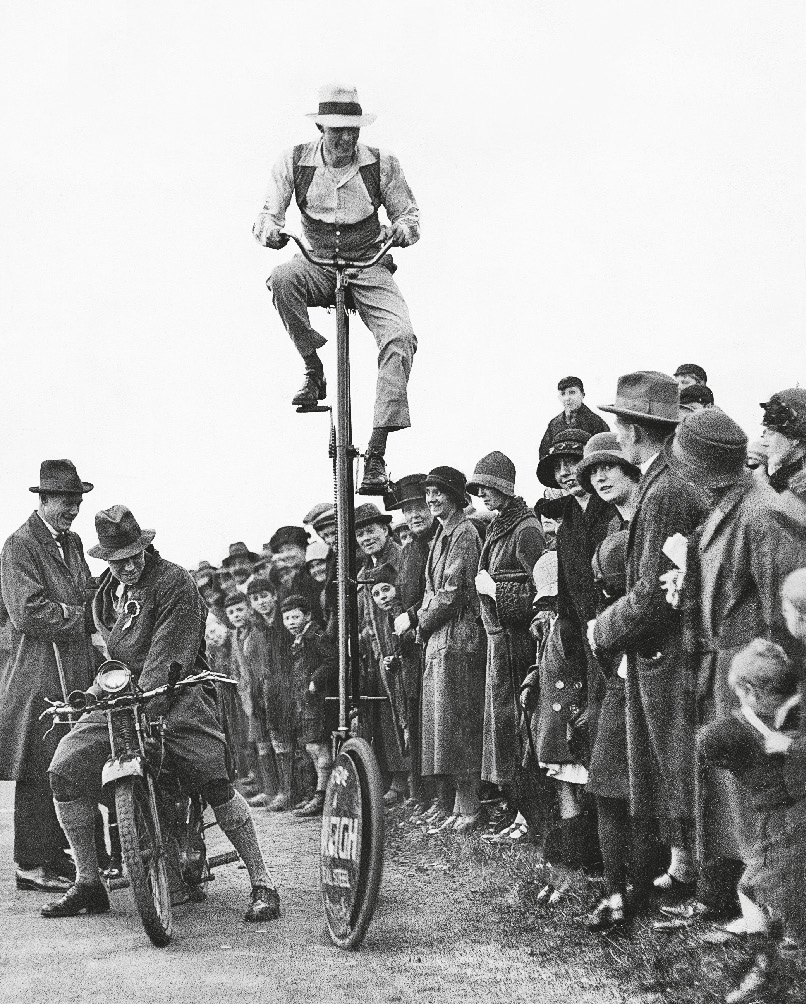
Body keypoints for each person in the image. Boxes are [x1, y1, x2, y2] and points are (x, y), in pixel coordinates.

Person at [44, 506, 280, 922]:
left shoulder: (174, 582)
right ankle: (87, 881)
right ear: (107, 559)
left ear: (146, 547)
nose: (130, 566)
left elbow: (170, 654)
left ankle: (262, 881)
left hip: (177, 690)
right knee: (63, 766)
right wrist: (93, 693)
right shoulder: (105, 595)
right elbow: (112, 659)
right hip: (123, 698)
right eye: (119, 561)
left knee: (210, 775)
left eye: (136, 555)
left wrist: (140, 698)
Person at [663, 408, 805, 922]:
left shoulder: (761, 512)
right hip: (727, 670)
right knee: (732, 801)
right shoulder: (731, 503)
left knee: (758, 803)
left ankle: (767, 917)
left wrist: (773, 698)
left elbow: (788, 613)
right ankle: (738, 903)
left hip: (757, 681)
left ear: (698, 464)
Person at [254, 83, 420, 495]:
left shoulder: (382, 164)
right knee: (281, 280)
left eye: (353, 130)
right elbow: (266, 213)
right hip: (317, 262)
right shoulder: (295, 160)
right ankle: (313, 368)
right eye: (336, 130)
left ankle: (377, 452)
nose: (346, 139)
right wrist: (271, 231)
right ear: (321, 129)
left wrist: (403, 229)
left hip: (368, 262)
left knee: (400, 337)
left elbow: (409, 213)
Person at [589, 372, 702, 911]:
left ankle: (702, 883)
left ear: (633, 432)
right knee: (671, 771)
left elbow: (655, 594)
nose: (618, 434)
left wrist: (601, 628)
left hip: (670, 654)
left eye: (620, 425)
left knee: (680, 771)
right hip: (662, 653)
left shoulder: (665, 490)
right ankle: (685, 873)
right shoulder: (665, 482)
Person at [0, 460, 97, 893]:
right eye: (64, 501)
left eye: (76, 501)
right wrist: (84, 618)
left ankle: (60, 855)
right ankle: (31, 864)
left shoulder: (72, 542)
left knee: (69, 759)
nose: (72, 509)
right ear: (43, 499)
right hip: (37, 672)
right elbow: (27, 612)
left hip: (73, 668)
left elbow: (86, 589)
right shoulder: (19, 545)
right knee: (38, 765)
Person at [698, 640, 804, 999]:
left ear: (749, 691)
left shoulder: (797, 717)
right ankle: (767, 966)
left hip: (793, 821)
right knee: (760, 888)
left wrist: (790, 745)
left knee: (771, 891)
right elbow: (709, 744)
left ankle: (773, 970)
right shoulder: (742, 727)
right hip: (775, 823)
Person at [467, 452, 545, 837]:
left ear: (504, 487)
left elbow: (540, 589)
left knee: (519, 729)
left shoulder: (526, 529)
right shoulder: (502, 525)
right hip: (500, 643)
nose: (482, 495)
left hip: (517, 643)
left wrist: (497, 590)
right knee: (503, 729)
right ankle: (519, 812)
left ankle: (529, 816)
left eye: (488, 487)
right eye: (478, 488)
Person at [418, 467, 487, 833]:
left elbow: (453, 592)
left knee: (458, 726)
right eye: (428, 493)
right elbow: (432, 593)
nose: (432, 500)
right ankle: (459, 805)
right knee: (443, 729)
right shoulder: (441, 536)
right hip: (441, 641)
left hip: (459, 640)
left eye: (439, 492)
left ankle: (471, 807)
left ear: (457, 496)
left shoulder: (464, 533)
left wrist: (421, 622)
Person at [387, 474, 438, 814]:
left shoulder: (439, 541)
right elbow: (401, 596)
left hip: (431, 639)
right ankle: (421, 795)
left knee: (436, 721)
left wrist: (411, 617)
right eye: (408, 510)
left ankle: (439, 795)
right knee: (415, 721)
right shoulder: (408, 551)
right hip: (410, 648)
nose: (415, 515)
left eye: (420, 506)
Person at [354, 503, 409, 804]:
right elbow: (366, 616)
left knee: (405, 714)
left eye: (371, 531)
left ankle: (410, 783)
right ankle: (397, 780)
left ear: (385, 530)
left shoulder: (399, 558)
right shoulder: (363, 572)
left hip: (399, 645)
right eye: (361, 534)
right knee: (385, 719)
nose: (366, 538)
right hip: (377, 652)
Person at [281, 594, 336, 817]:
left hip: (319, 701)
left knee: (319, 748)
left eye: (295, 617)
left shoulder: (316, 636)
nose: (291, 622)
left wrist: (315, 680)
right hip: (306, 702)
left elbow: (332, 660)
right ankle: (317, 793)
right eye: (287, 618)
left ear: (308, 616)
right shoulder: (299, 639)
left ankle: (323, 796)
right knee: (310, 748)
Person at [247, 576, 296, 811]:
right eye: (256, 599)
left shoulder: (283, 623)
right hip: (264, 688)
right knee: (269, 740)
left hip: (286, 685)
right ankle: (272, 789)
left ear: (274, 596)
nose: (262, 602)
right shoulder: (256, 627)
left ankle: (289, 791)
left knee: (285, 738)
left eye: (265, 596)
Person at [538, 377, 610, 463]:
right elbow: (544, 455)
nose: (567, 398)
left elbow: (606, 455)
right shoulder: (554, 424)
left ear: (583, 395)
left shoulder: (596, 423)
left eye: (572, 392)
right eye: (563, 394)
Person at [760, 387, 805, 506]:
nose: (764, 442)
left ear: (794, 438)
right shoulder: (781, 477)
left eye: (771, 432)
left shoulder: (799, 491)